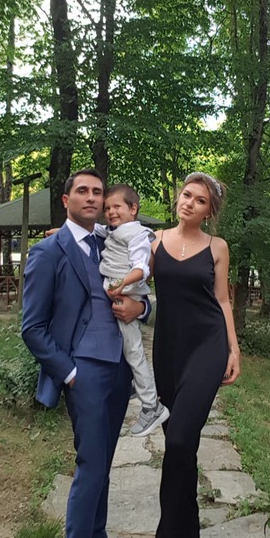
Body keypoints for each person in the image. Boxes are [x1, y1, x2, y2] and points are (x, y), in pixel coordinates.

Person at [21, 169, 147, 538]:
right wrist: (70, 373)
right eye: (83, 191)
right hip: (84, 371)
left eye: (98, 192)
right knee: (92, 464)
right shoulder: (48, 251)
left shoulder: (115, 242)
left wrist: (142, 309)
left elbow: (145, 291)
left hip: (119, 368)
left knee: (104, 462)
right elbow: (32, 327)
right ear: (66, 200)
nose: (92, 198)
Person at [142, 172, 241, 538]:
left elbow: (222, 299)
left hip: (207, 348)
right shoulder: (155, 242)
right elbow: (128, 273)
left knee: (181, 440)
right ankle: (189, 536)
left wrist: (233, 348)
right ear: (178, 198)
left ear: (208, 212)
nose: (190, 203)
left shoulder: (217, 247)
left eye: (200, 201)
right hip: (168, 351)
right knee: (180, 446)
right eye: (187, 195)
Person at [99, 183, 170, 437]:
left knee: (135, 351)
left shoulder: (138, 235)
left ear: (133, 209)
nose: (110, 212)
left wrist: (121, 284)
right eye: (107, 208)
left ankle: (151, 406)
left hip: (125, 292)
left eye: (116, 206)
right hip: (119, 291)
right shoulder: (112, 231)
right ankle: (133, 383)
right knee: (130, 350)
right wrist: (62, 231)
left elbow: (141, 269)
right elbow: (93, 229)